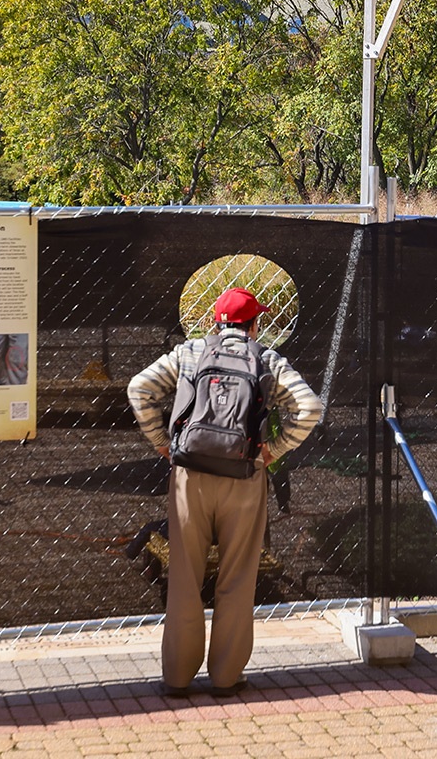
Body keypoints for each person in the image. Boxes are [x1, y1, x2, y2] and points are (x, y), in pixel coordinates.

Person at [127, 287, 325, 699]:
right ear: (255, 325)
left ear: (216, 322)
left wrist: (162, 442)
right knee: (237, 577)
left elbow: (139, 389)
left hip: (189, 477)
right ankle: (225, 677)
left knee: (184, 576)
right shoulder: (266, 359)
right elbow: (309, 408)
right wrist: (272, 450)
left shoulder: (189, 353)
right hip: (244, 475)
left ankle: (177, 678)